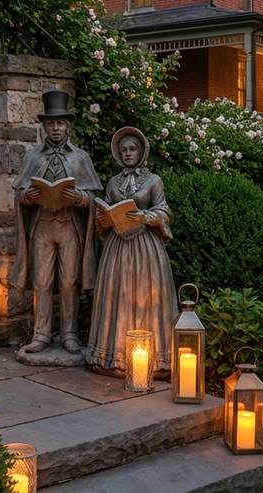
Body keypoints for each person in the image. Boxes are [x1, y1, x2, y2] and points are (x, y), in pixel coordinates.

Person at [11, 90, 102, 355]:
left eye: (60, 123)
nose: (55, 128)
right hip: (42, 226)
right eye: (51, 123)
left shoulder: (80, 158)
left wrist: (81, 199)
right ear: (44, 126)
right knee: (41, 281)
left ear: (68, 125)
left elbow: (94, 196)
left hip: (69, 227)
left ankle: (69, 333)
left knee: (69, 281)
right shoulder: (33, 157)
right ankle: (40, 334)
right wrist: (27, 196)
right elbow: (19, 193)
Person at [87, 127, 178, 376]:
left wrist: (146, 216)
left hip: (146, 248)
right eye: (124, 150)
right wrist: (105, 218)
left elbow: (165, 211)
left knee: (147, 296)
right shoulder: (113, 182)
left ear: (141, 151)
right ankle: (112, 355)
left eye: (132, 149)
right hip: (117, 248)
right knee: (120, 295)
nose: (128, 154)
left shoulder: (153, 181)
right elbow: (103, 214)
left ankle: (154, 358)